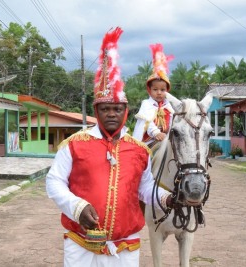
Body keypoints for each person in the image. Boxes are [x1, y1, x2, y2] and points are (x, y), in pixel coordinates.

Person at [46, 27, 172, 267]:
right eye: (105, 109)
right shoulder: (73, 145)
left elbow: (144, 188)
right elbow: (54, 182)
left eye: (117, 109)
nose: (112, 114)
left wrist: (166, 198)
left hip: (125, 247)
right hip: (80, 244)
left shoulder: (139, 150)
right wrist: (77, 207)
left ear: (126, 112)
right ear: (96, 111)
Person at [133, 44, 174, 147]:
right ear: (149, 90)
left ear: (167, 91)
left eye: (162, 90)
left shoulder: (168, 107)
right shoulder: (146, 104)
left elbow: (172, 123)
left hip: (166, 139)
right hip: (148, 141)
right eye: (155, 89)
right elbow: (148, 122)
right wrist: (156, 133)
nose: (159, 92)